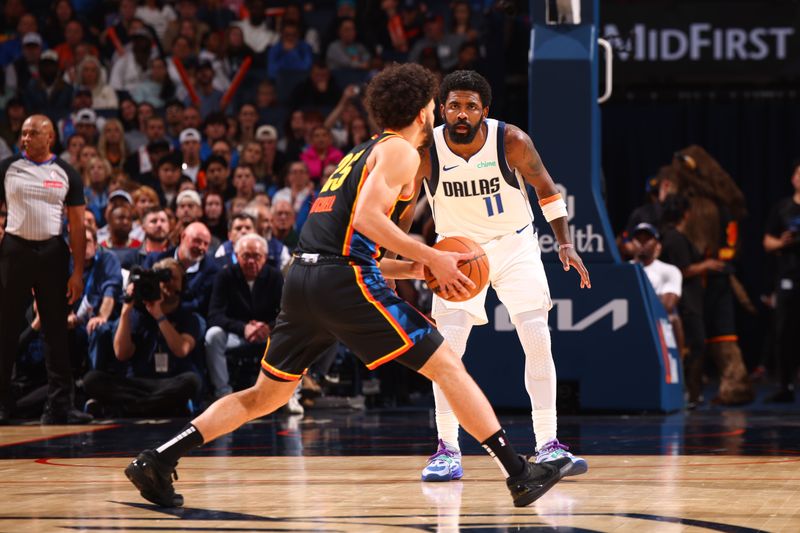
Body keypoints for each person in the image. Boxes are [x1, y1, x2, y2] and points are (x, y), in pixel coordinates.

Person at [124, 63, 562, 509]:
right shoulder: (401, 152)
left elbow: (354, 245)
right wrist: (430, 255)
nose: (435, 111)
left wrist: (419, 271)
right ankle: (520, 474)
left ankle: (158, 459)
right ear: (422, 110)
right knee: (448, 365)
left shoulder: (358, 154)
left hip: (304, 277)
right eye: (433, 104)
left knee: (266, 395)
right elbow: (367, 222)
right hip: (341, 279)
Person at [415, 70, 591, 482]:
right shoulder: (427, 149)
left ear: (484, 111)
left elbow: (547, 189)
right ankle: (447, 449)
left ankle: (548, 443)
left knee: (537, 338)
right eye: (454, 105)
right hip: (456, 252)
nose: (462, 114)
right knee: (448, 353)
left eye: (471, 106)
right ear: (442, 110)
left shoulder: (511, 141)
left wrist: (564, 243)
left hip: (515, 245)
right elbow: (404, 208)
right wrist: (401, 256)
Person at [0, 114, 91, 424]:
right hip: (14, 249)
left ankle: (60, 406)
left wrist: (77, 272)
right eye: (23, 134)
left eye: (32, 133)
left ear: (49, 137)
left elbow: (78, 227)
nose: (25, 139)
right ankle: (2, 404)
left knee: (55, 331)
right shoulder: (8, 167)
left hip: (52, 252)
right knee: (6, 328)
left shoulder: (66, 173)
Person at [83, 257, 202, 417]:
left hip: (168, 382)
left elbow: (181, 349)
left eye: (173, 278)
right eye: (163, 278)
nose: (168, 283)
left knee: (192, 382)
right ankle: (157, 407)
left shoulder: (189, 317)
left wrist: (159, 315)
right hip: (135, 382)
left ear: (183, 284)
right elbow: (122, 353)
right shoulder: (135, 315)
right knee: (92, 380)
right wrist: (126, 311)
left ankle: (127, 408)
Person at [205, 233, 283, 398]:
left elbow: (286, 314)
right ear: (236, 256)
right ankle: (223, 394)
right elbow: (214, 315)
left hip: (267, 335)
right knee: (213, 336)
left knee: (292, 337)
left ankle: (289, 396)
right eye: (246, 256)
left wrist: (268, 327)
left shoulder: (275, 276)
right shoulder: (225, 276)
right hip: (236, 334)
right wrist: (243, 328)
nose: (251, 261)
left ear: (265, 257)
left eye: (257, 256)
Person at [763, 160, 800, 402]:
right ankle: (785, 385)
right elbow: (767, 242)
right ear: (793, 178)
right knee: (784, 331)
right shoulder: (783, 207)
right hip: (788, 277)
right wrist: (783, 243)